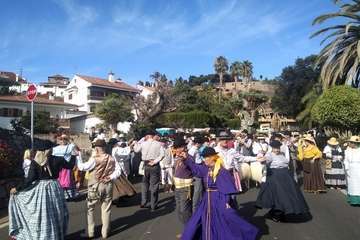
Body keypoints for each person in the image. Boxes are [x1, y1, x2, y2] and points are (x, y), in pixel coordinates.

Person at [180, 147, 258, 240]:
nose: (204, 159)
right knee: (199, 220)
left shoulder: (222, 171)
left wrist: (226, 202)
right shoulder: (206, 169)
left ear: (212, 157)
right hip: (207, 199)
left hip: (218, 199)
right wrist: (186, 158)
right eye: (203, 157)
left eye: (206, 157)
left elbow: (227, 189)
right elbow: (196, 169)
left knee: (222, 220)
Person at [9, 147, 76, 240]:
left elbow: (30, 179)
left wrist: (17, 189)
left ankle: (44, 236)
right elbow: (70, 166)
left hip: (41, 191)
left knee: (43, 215)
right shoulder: (57, 159)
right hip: (55, 187)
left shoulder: (36, 161)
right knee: (57, 212)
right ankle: (55, 236)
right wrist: (73, 155)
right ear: (51, 150)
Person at [76, 139, 122, 239]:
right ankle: (105, 232)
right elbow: (118, 171)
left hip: (94, 185)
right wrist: (110, 177)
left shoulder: (94, 159)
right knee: (106, 208)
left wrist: (78, 156)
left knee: (90, 208)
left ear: (96, 148)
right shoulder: (112, 158)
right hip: (108, 185)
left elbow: (82, 167)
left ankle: (91, 232)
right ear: (105, 147)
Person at [256, 140, 310, 222]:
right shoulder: (269, 155)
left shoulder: (282, 154)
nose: (277, 150)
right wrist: (261, 158)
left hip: (286, 176)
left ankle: (281, 212)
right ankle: (276, 213)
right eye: (275, 148)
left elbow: (286, 163)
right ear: (272, 148)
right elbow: (264, 160)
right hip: (276, 177)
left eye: (278, 148)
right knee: (281, 196)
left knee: (290, 195)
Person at [134, 129, 165, 211]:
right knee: (154, 185)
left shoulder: (143, 143)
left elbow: (136, 150)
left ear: (147, 136)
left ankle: (143, 202)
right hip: (154, 165)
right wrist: (155, 161)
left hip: (145, 164)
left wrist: (138, 142)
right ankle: (153, 205)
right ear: (153, 135)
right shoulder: (158, 144)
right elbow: (162, 155)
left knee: (144, 184)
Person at [173, 136, 194, 239]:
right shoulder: (178, 158)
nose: (176, 150)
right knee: (179, 211)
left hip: (186, 188)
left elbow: (193, 167)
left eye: (178, 148)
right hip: (178, 187)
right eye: (175, 148)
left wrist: (185, 157)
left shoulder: (188, 158)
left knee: (185, 211)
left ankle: (190, 232)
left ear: (184, 148)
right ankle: (188, 230)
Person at [188, 135, 205, 212]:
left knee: (200, 190)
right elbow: (190, 162)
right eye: (201, 143)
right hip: (196, 171)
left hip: (199, 169)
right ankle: (195, 209)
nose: (202, 145)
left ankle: (199, 207)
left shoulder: (197, 149)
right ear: (197, 143)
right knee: (197, 191)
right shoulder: (192, 150)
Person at [344, 136, 360, 206]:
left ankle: (358, 201)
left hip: (358, 168)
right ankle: (352, 200)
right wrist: (347, 168)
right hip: (350, 169)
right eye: (350, 142)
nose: (350, 144)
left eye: (352, 143)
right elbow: (346, 160)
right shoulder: (347, 151)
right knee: (352, 185)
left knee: (358, 185)